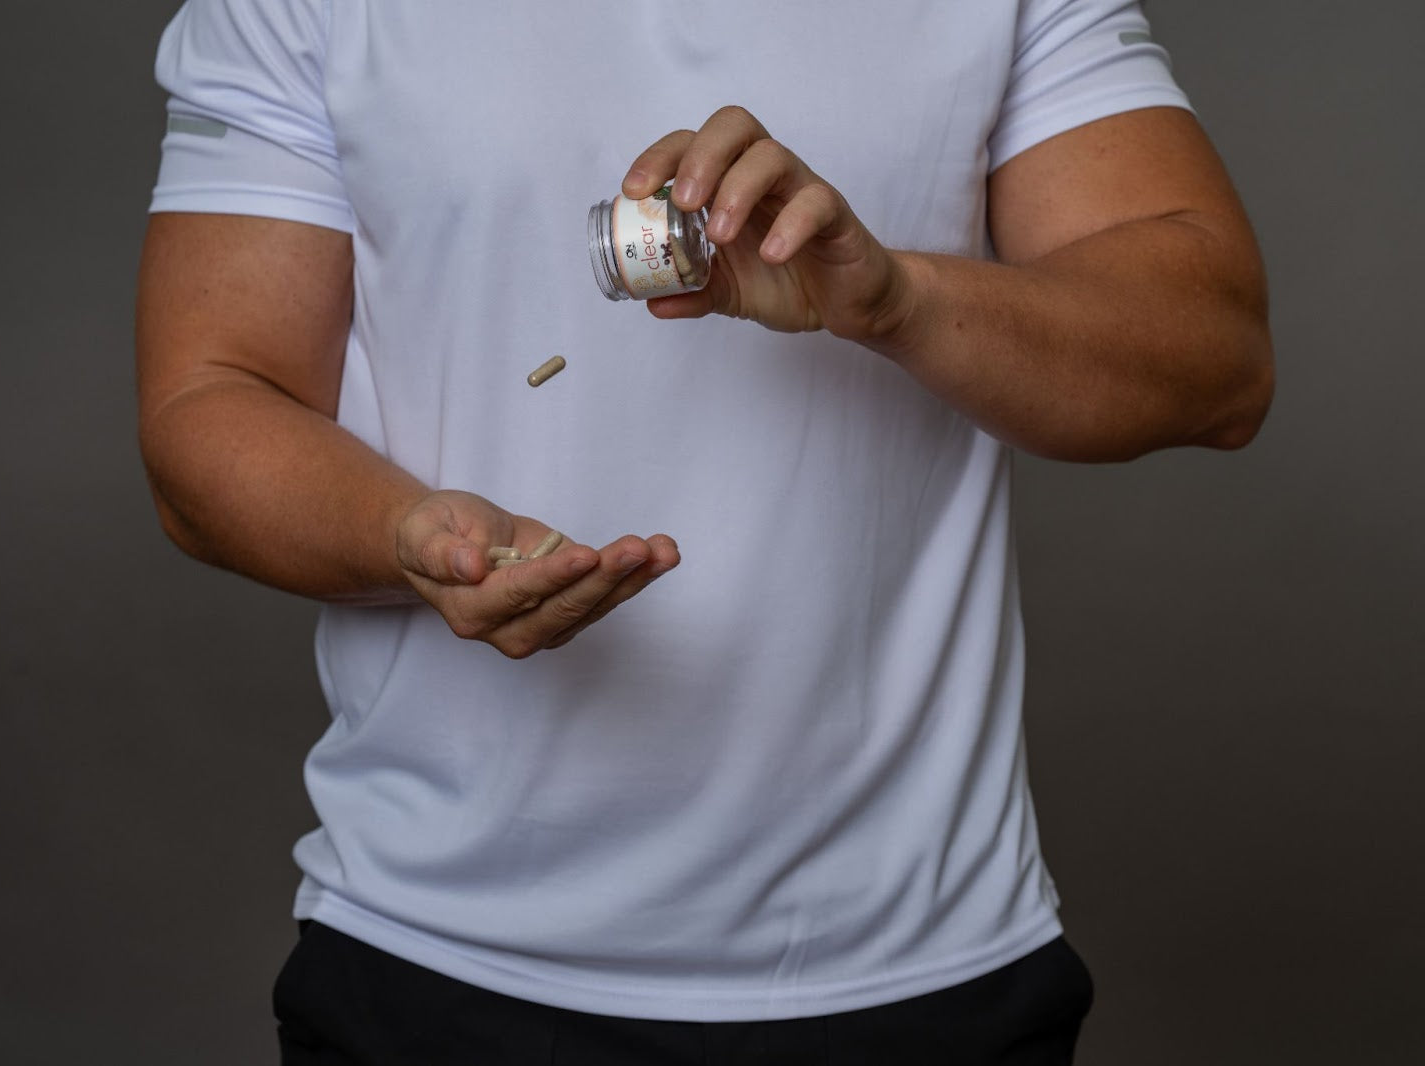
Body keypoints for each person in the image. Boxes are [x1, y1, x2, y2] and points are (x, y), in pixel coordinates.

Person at [136, 1, 1272, 1062]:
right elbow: (207, 407)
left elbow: (1216, 361)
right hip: (438, 960)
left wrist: (895, 303)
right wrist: (403, 534)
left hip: (924, 974)